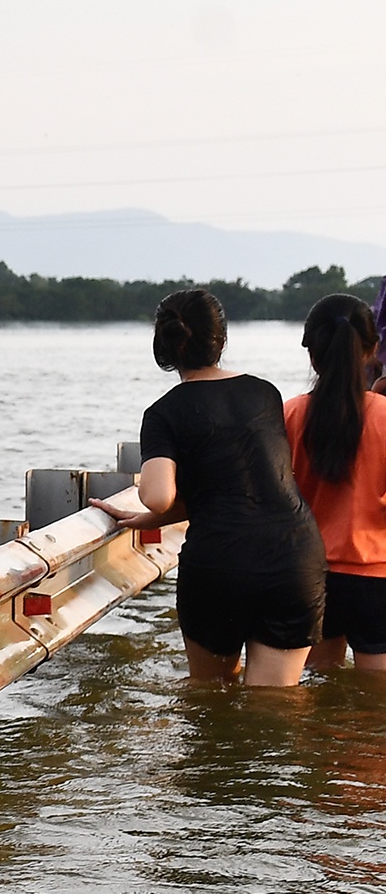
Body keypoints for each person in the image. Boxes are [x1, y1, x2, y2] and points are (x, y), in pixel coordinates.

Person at [94, 288, 325, 687]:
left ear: (164, 346)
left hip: (221, 564)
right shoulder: (265, 393)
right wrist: (151, 519)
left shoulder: (164, 412)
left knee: (211, 697)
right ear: (221, 339)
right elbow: (247, 485)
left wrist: (148, 506)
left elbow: (159, 496)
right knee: (276, 705)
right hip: (293, 559)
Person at [283, 293, 386, 673]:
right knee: (375, 698)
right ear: (371, 350)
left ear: (312, 354)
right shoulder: (385, 416)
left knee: (317, 686)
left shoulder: (289, 414)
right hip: (377, 576)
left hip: (309, 574)